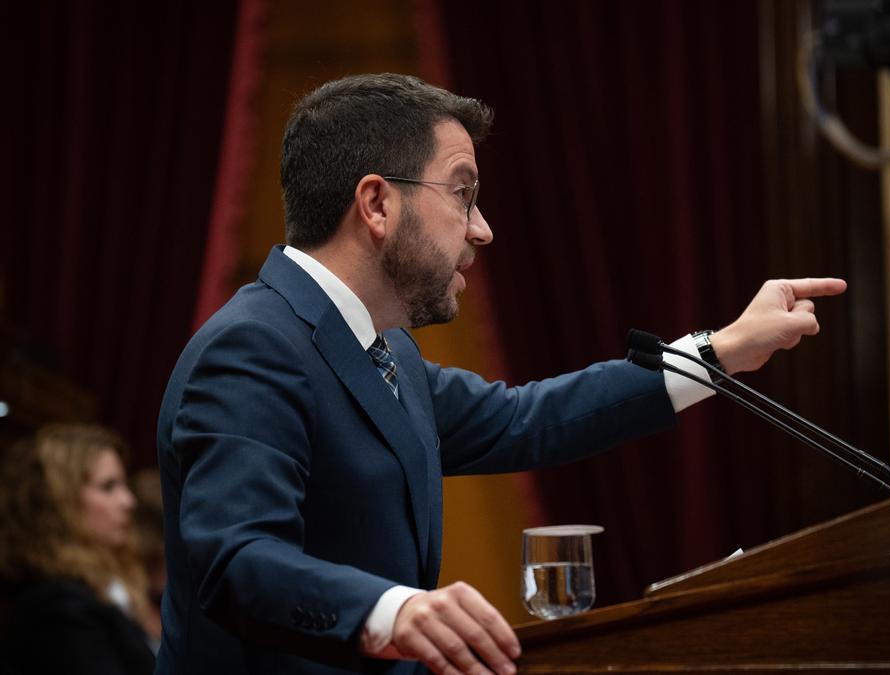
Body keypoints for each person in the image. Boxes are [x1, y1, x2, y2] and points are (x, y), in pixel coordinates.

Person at [156, 73, 846, 675]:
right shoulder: (252, 348)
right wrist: (396, 612)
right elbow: (236, 558)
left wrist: (721, 351)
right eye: (463, 193)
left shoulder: (388, 353)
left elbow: (528, 417)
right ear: (376, 204)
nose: (482, 229)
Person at [0, 424, 156, 675]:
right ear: (59, 500)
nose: (128, 501)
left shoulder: (104, 585)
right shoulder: (58, 607)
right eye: (108, 487)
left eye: (124, 484)